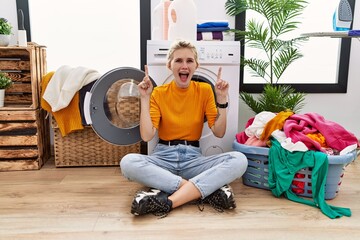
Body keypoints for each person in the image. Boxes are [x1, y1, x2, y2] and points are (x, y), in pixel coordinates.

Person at [120, 39, 248, 217]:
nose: (184, 65)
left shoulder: (204, 90)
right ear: (169, 65)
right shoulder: (159, 93)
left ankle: (169, 201)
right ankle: (204, 192)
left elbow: (219, 132)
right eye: (178, 60)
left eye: (189, 61)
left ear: (196, 65)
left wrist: (222, 99)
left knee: (239, 159)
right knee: (128, 163)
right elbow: (147, 135)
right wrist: (144, 98)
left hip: (194, 160)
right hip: (163, 157)